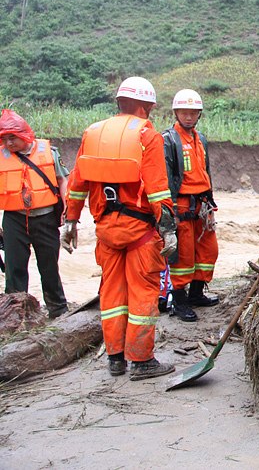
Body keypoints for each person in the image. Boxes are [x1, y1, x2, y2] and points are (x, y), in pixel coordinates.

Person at [61, 77, 177, 380]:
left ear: (119, 102)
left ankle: (115, 359)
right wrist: (169, 230)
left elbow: (77, 183)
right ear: (146, 106)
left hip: (106, 230)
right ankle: (141, 361)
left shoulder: (94, 133)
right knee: (142, 293)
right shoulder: (147, 136)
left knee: (112, 294)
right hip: (138, 231)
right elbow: (157, 190)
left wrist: (70, 221)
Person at [0, 109, 69, 318]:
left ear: (24, 135)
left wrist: (67, 209)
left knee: (49, 266)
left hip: (45, 217)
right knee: (14, 268)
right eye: (4, 138)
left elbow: (62, 180)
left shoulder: (49, 151)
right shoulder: (1, 156)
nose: (9, 143)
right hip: (14, 218)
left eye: (13, 138)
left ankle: (58, 309)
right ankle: (13, 315)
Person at [162, 88, 219, 322]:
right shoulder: (168, 140)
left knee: (208, 251)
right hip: (182, 206)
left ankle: (196, 294)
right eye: (184, 113)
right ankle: (179, 301)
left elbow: (205, 172)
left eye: (193, 113)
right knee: (182, 256)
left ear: (199, 115)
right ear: (176, 113)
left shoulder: (200, 139)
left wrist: (211, 205)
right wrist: (170, 211)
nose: (188, 117)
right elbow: (165, 176)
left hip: (201, 204)